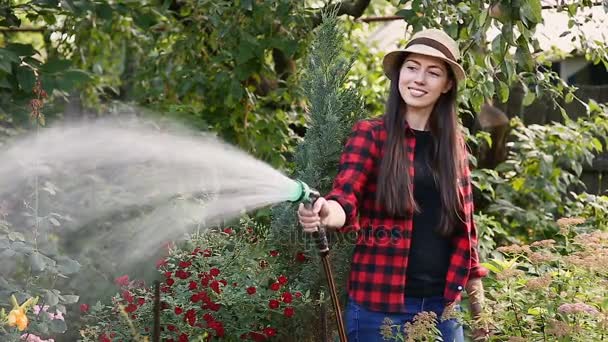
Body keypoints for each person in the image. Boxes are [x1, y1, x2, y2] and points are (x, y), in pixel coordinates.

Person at [298, 29, 489, 341]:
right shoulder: (371, 135)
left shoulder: (454, 144)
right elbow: (345, 198)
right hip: (379, 312)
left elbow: (467, 233)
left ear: (447, 85)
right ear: (399, 73)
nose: (419, 79)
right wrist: (324, 212)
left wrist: (482, 317)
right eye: (412, 67)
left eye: (433, 72)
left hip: (444, 311)